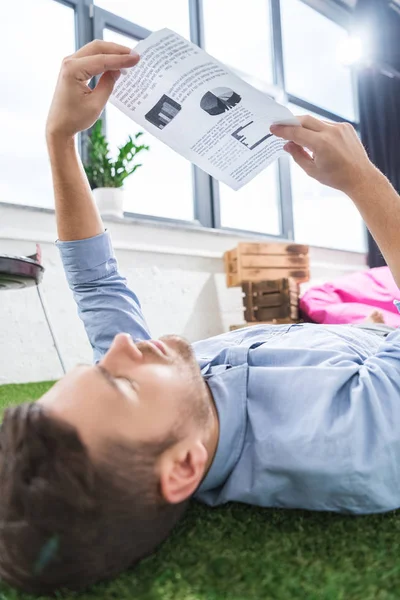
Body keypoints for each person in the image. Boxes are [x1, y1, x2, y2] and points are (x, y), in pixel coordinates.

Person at [0, 40, 399, 595]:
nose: (119, 349)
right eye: (119, 382)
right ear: (183, 466)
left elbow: (94, 282)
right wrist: (363, 181)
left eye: (90, 366)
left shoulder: (165, 402)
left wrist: (61, 138)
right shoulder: (350, 448)